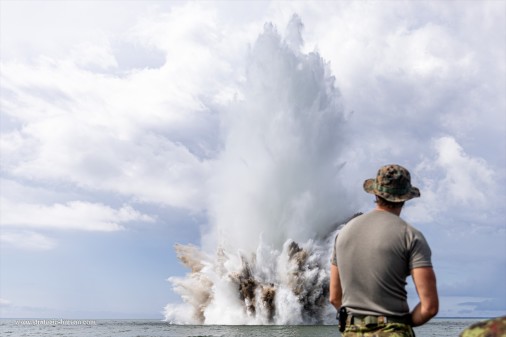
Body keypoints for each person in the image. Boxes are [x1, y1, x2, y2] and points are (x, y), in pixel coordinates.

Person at [329, 164, 439, 336]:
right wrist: (399, 323)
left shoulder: (343, 234)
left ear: (375, 193)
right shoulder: (411, 236)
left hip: (352, 331)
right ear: (405, 198)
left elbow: (334, 297)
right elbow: (429, 307)